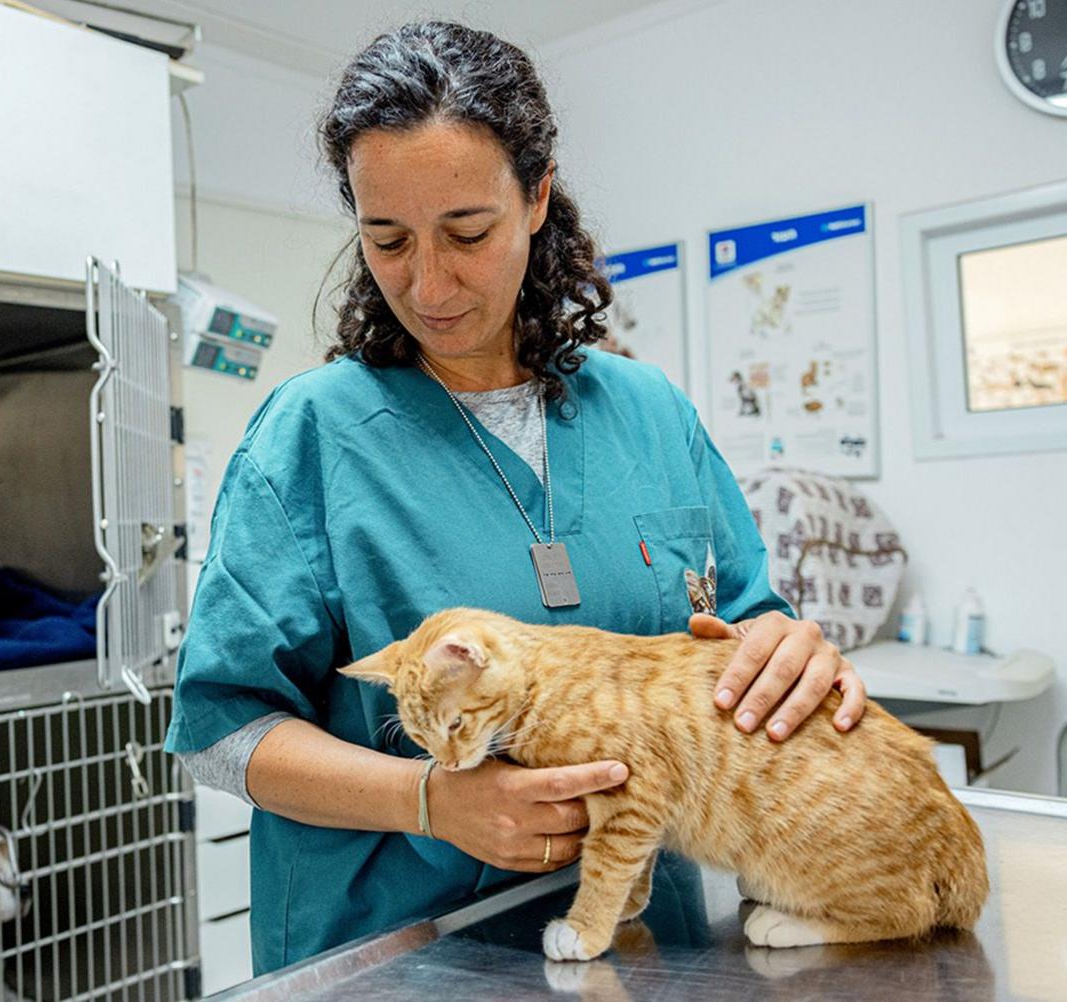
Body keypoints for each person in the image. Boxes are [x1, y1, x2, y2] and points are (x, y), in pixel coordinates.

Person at [164, 21, 866, 976]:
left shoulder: (651, 415)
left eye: (466, 232)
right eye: (387, 240)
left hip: (641, 947)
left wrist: (788, 654)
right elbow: (218, 734)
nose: (427, 282)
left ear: (536, 197)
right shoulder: (313, 437)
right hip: (397, 957)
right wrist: (429, 799)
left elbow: (742, 627)